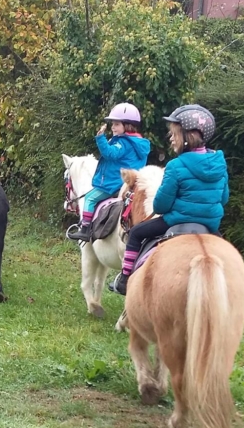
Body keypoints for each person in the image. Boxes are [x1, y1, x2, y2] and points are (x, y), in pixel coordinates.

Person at [109, 104, 229, 295]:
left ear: (187, 137)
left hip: (175, 221)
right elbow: (223, 199)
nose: (171, 138)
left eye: (175, 134)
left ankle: (124, 278)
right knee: (227, 256)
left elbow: (161, 205)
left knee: (137, 233)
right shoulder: (219, 164)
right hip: (209, 225)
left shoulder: (176, 165)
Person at [66, 102, 150, 241]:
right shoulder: (139, 143)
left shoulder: (122, 143)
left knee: (90, 198)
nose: (113, 127)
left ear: (127, 125)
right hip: (131, 184)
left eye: (116, 124)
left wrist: (100, 138)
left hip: (114, 183)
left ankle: (85, 229)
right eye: (112, 124)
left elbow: (110, 154)